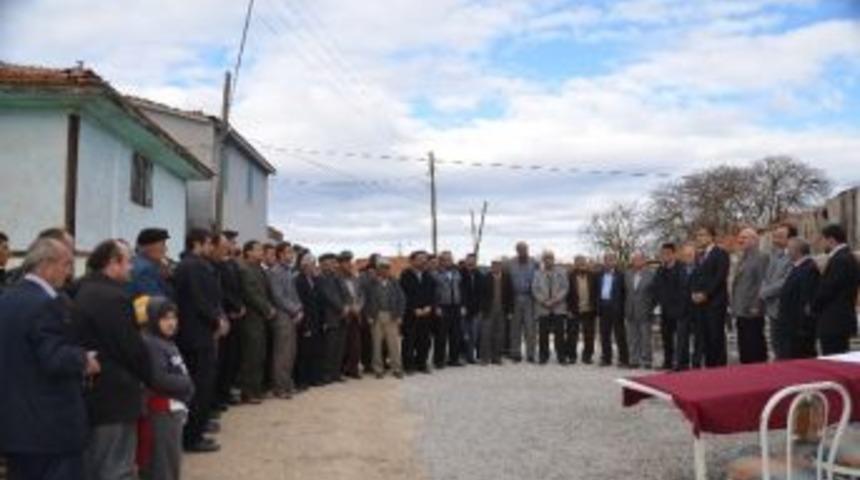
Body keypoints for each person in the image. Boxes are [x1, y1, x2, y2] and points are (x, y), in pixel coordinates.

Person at [0, 238, 99, 480]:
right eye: (66, 264)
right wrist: (84, 359)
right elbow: (54, 357)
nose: (68, 272)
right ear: (47, 265)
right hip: (50, 428)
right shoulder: (46, 304)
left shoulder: (7, 299)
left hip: (15, 426)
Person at [74, 239, 153, 480]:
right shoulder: (113, 298)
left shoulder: (82, 289)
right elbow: (130, 348)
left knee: (96, 465)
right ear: (112, 263)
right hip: (114, 396)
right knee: (116, 468)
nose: (131, 267)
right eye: (128, 262)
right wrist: (148, 376)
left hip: (93, 393)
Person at [173, 229, 224, 452]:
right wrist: (217, 321)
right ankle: (192, 437)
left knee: (200, 385)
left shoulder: (190, 264)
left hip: (196, 334)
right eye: (208, 243)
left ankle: (196, 428)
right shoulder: (193, 266)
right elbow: (200, 300)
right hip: (197, 336)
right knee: (200, 386)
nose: (211, 247)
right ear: (198, 243)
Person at [138, 296, 195, 480]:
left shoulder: (165, 341)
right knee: (162, 464)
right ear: (154, 319)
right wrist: (186, 383)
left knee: (170, 461)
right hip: (161, 411)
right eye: (165, 318)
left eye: (173, 317)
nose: (171, 323)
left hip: (172, 409)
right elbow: (158, 378)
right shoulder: (151, 343)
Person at [237, 240, 276, 403]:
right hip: (251, 318)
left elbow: (267, 292)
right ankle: (248, 392)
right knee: (251, 355)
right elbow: (251, 294)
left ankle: (257, 389)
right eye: (258, 250)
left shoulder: (259, 269)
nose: (261, 252)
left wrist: (270, 307)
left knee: (260, 355)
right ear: (248, 252)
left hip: (262, 318)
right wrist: (268, 309)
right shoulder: (244, 269)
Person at [812, 224, 860, 355]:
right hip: (839, 320)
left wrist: (813, 306)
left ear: (831, 240)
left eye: (823, 240)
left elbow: (828, 289)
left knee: (834, 359)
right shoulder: (847, 257)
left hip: (834, 321)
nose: (821, 244)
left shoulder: (840, 260)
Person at [212, 232, 244, 410]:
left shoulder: (231, 264)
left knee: (232, 359)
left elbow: (237, 289)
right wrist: (233, 308)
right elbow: (221, 291)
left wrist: (240, 306)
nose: (232, 245)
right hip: (226, 315)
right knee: (222, 360)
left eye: (232, 242)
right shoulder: (218, 265)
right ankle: (218, 397)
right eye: (230, 242)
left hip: (236, 316)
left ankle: (225, 393)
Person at [691, 226, 730, 368]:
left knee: (716, 338)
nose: (699, 238)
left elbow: (719, 277)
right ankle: (709, 368)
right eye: (698, 235)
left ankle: (719, 369)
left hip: (715, 303)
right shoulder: (699, 256)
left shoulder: (721, 253)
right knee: (705, 338)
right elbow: (695, 277)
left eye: (702, 235)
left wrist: (706, 294)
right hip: (700, 304)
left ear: (711, 237)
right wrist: (694, 293)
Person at [268, 242, 302, 398]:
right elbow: (278, 296)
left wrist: (299, 308)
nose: (291, 255)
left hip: (292, 315)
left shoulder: (288, 271)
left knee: (290, 352)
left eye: (292, 252)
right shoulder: (275, 272)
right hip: (282, 316)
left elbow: (294, 294)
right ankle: (280, 388)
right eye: (288, 252)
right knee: (282, 353)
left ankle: (287, 383)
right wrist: (295, 310)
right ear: (280, 254)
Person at [777, 238, 820, 359]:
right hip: (789, 326)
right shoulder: (797, 267)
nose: (787, 252)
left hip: (797, 329)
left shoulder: (809, 269)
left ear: (797, 251)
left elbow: (806, 300)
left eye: (789, 249)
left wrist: (802, 327)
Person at [731, 228, 769, 364]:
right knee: (744, 344)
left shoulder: (761, 257)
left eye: (744, 237)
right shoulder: (742, 257)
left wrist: (757, 305)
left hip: (753, 309)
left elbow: (762, 283)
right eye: (740, 237)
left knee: (754, 344)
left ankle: (758, 370)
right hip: (741, 309)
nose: (740, 240)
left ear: (754, 240)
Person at [759, 224, 796, 359]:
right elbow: (766, 277)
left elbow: (785, 282)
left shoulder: (793, 256)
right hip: (772, 308)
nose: (775, 240)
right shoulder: (774, 255)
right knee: (776, 347)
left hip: (785, 309)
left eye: (780, 237)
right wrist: (763, 289)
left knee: (785, 348)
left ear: (790, 239)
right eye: (775, 236)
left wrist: (764, 292)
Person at [364, 257, 406, 378]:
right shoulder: (370, 283)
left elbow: (401, 299)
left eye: (387, 268)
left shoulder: (394, 282)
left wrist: (399, 315)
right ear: (377, 269)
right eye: (382, 268)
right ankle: (378, 369)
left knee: (393, 344)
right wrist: (368, 315)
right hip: (376, 315)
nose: (384, 270)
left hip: (391, 315)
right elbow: (366, 300)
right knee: (376, 344)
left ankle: (397, 368)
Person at [400, 251, 436, 374]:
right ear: (412, 261)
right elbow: (404, 295)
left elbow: (432, 294)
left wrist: (429, 306)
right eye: (420, 259)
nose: (423, 261)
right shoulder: (405, 275)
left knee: (425, 340)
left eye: (425, 259)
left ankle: (422, 364)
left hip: (426, 314)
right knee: (409, 341)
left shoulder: (428, 276)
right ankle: (408, 366)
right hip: (411, 314)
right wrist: (414, 309)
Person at [532, 250, 569, 364]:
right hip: (543, 308)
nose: (548, 261)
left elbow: (565, 288)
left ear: (554, 260)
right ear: (543, 261)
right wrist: (544, 301)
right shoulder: (537, 273)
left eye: (550, 258)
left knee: (560, 334)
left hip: (558, 307)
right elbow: (534, 289)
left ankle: (561, 357)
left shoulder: (562, 272)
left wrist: (555, 300)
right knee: (543, 334)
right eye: (546, 259)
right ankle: (543, 356)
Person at [318, 253, 348, 383]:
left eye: (332, 263)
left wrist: (347, 306)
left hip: (343, 316)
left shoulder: (338, 277)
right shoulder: (321, 278)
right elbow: (328, 296)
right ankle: (327, 374)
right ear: (322, 265)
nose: (331, 266)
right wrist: (342, 308)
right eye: (328, 264)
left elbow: (345, 293)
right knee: (329, 347)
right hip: (330, 317)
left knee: (340, 347)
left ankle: (337, 373)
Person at [294, 254, 324, 388]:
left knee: (316, 350)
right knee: (304, 353)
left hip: (316, 321)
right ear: (304, 265)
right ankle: (302, 380)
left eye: (314, 264)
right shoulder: (298, 281)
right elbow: (301, 303)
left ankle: (314, 378)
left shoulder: (315, 280)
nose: (314, 267)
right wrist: (305, 326)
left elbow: (319, 301)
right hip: (305, 321)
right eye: (312, 264)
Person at [653, 244, 684, 370]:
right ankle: (667, 362)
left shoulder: (681, 268)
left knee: (680, 339)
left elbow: (683, 288)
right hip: (664, 310)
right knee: (666, 338)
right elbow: (656, 287)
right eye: (663, 253)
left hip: (679, 310)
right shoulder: (660, 269)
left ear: (674, 254)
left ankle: (679, 363)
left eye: (667, 253)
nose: (665, 255)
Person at [624, 252, 656, 369]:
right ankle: (634, 360)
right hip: (630, 310)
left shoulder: (651, 274)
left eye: (639, 259)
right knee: (632, 338)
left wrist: (651, 307)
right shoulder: (627, 274)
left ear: (644, 261)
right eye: (634, 260)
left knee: (646, 338)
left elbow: (655, 294)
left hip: (645, 310)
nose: (636, 262)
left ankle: (647, 360)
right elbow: (625, 293)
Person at [508, 241, 538, 362]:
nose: (523, 252)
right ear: (517, 251)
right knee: (515, 328)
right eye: (520, 250)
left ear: (528, 250)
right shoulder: (510, 264)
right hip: (515, 298)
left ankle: (530, 354)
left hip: (530, 298)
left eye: (525, 249)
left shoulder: (534, 263)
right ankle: (516, 354)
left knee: (530, 328)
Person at [433, 251, 464, 368]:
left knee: (455, 334)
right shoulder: (436, 274)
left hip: (455, 306)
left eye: (450, 259)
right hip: (443, 306)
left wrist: (461, 305)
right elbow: (433, 293)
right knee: (441, 335)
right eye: (446, 259)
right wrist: (436, 307)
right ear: (441, 261)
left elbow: (460, 290)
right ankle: (439, 360)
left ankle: (454, 359)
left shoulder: (457, 273)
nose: (449, 261)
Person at [597, 252, 628, 367]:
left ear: (615, 262)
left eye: (611, 260)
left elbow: (625, 293)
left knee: (620, 335)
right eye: (606, 260)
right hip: (603, 307)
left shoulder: (621, 275)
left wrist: (623, 308)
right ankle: (606, 358)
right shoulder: (599, 275)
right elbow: (597, 292)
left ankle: (623, 359)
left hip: (616, 308)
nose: (608, 262)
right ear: (604, 262)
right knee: (604, 334)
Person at [338, 251, 366, 379]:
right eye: (346, 262)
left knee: (356, 345)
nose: (349, 264)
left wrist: (358, 307)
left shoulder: (355, 279)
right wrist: (348, 308)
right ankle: (341, 370)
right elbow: (337, 297)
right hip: (344, 315)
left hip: (356, 314)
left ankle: (353, 369)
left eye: (350, 261)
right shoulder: (337, 279)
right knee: (343, 344)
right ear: (340, 264)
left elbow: (361, 295)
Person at [478, 259, 511, 365]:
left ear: (500, 267)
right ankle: (484, 358)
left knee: (500, 334)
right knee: (486, 334)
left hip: (502, 309)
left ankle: (497, 357)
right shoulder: (485, 278)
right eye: (494, 266)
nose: (496, 268)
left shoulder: (506, 278)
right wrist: (482, 309)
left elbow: (511, 295)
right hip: (488, 309)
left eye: (498, 266)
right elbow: (481, 295)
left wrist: (510, 310)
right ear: (491, 267)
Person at [567, 255, 599, 364]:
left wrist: (595, 308)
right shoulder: (569, 276)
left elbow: (596, 293)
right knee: (572, 335)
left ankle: (587, 356)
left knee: (589, 335)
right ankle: (572, 356)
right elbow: (567, 294)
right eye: (579, 262)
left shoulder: (593, 276)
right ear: (575, 264)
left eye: (583, 262)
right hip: (574, 310)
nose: (581, 264)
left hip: (589, 310)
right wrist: (568, 310)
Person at [675, 244, 700, 370]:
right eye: (685, 255)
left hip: (697, 309)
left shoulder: (701, 268)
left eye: (690, 255)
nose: (688, 257)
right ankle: (681, 364)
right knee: (681, 339)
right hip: (682, 310)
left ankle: (696, 364)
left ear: (695, 255)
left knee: (698, 340)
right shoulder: (679, 269)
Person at [129, 228, 172, 299]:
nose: (166, 249)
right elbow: (157, 301)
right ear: (148, 247)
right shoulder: (145, 270)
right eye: (162, 244)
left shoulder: (136, 263)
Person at [460, 253, 482, 364]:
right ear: (466, 261)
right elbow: (459, 291)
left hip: (476, 310)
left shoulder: (479, 274)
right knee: (463, 334)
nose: (471, 263)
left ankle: (470, 356)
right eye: (469, 260)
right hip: (463, 309)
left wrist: (480, 308)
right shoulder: (460, 274)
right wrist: (462, 306)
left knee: (474, 334)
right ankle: (462, 355)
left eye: (473, 261)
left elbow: (481, 293)